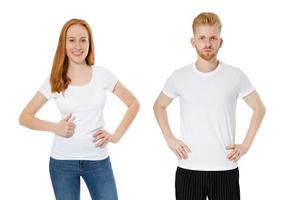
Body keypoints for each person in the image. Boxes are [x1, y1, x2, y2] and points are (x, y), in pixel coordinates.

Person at [19, 18, 140, 200]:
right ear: (64, 44)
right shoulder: (55, 80)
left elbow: (133, 103)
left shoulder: (102, 74)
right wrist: (55, 127)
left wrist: (116, 136)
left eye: (83, 40)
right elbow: (25, 117)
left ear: (89, 44)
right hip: (62, 163)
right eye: (72, 40)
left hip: (98, 160)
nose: (78, 46)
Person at [153, 12, 266, 200]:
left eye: (213, 38)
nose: (207, 44)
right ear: (193, 41)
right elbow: (159, 106)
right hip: (189, 167)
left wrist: (245, 145)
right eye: (202, 38)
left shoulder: (235, 75)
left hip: (225, 167)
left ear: (220, 42)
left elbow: (259, 108)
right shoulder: (179, 76)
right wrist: (169, 137)